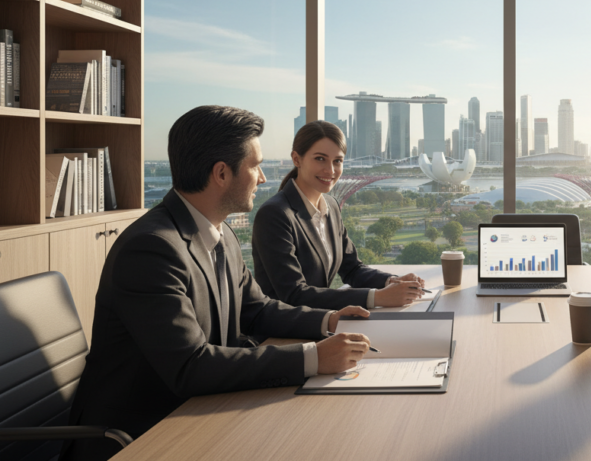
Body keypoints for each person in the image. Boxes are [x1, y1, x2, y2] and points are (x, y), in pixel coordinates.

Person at [63, 106, 372, 461]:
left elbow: (258, 310)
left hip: (201, 414)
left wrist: (330, 321)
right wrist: (312, 357)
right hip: (139, 436)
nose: (263, 179)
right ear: (221, 173)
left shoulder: (219, 232)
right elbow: (190, 366)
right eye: (255, 166)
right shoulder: (151, 249)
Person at [252, 121, 426, 310]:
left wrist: (391, 282)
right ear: (297, 159)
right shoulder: (275, 214)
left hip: (322, 323)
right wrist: (377, 298)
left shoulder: (331, 206)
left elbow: (352, 269)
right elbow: (294, 294)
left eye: (338, 161)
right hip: (283, 333)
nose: (331, 170)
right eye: (320, 159)